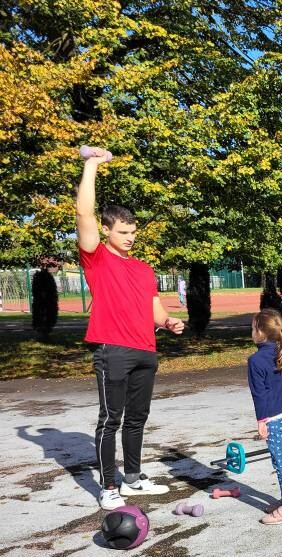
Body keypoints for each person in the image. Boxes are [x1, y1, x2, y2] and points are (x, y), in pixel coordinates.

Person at [76, 147, 185, 511]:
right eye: (123, 231)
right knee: (111, 419)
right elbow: (82, 212)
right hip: (112, 349)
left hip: (145, 350)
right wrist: (91, 165)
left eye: (133, 232)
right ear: (107, 230)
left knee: (137, 418)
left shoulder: (143, 268)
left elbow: (154, 310)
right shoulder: (97, 256)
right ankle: (108, 486)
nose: (130, 237)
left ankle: (134, 479)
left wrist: (168, 321)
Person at [249, 270, 282, 525]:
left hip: (275, 416)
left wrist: (262, 422)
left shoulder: (256, 360)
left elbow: (260, 395)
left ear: (260, 333)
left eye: (253, 327)